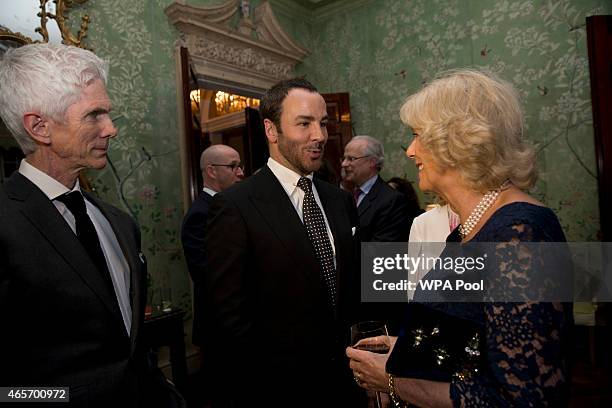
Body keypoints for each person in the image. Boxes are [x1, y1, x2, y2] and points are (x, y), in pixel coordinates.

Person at [346, 69, 573, 407]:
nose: (409, 151)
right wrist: (409, 349)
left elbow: (523, 399)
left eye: (418, 135)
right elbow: (475, 343)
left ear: (456, 141)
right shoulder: (471, 227)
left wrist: (393, 381)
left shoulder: (522, 232)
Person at [0, 43, 179, 407]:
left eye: (108, 114)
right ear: (39, 126)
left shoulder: (120, 224)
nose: (111, 129)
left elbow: (129, 345)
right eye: (94, 115)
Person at [203, 78, 360, 407]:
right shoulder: (235, 206)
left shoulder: (339, 201)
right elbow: (227, 318)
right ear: (271, 131)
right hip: (278, 388)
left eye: (323, 123)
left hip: (346, 381)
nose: (319, 136)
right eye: (304, 123)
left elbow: (350, 288)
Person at [181, 144, 244, 347]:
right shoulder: (200, 214)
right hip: (220, 326)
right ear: (211, 171)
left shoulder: (233, 205)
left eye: (240, 166)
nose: (241, 173)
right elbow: (206, 273)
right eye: (233, 166)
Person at [342, 135, 411, 242]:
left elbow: (381, 250)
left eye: (351, 158)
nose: (344, 164)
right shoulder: (344, 195)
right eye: (344, 158)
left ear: (372, 162)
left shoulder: (392, 200)